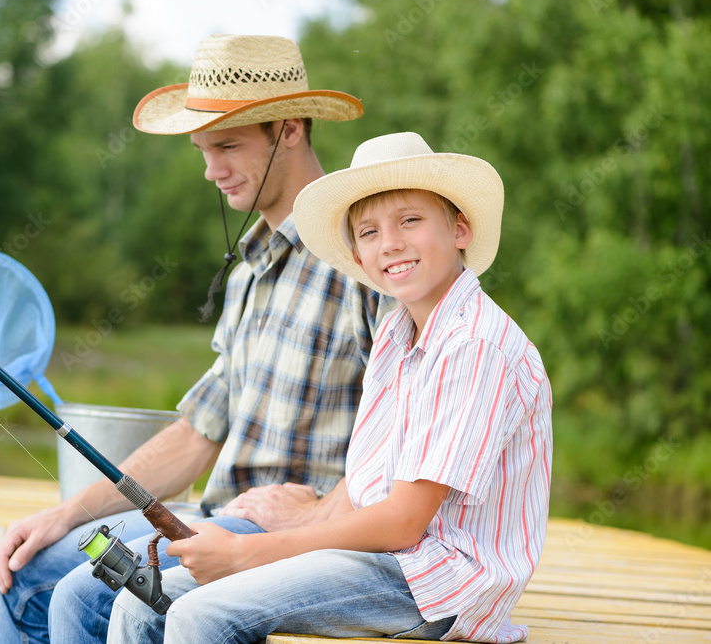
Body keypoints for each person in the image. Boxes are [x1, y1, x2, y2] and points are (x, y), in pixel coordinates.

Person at [0, 34, 394, 644]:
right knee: (24, 574)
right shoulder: (249, 274)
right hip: (211, 516)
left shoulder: (366, 254)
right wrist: (65, 514)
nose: (210, 170)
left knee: (84, 597)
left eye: (227, 145)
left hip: (296, 534)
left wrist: (317, 511)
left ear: (288, 129)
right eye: (203, 149)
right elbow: (196, 432)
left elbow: (410, 424)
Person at [107, 131, 554, 643]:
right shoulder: (398, 332)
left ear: (460, 228)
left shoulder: (474, 344)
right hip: (381, 560)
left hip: (437, 582)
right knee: (142, 603)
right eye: (368, 232)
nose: (390, 243)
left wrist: (245, 554)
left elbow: (405, 522)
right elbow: (372, 481)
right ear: (359, 257)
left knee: (200, 615)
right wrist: (283, 526)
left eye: (410, 220)